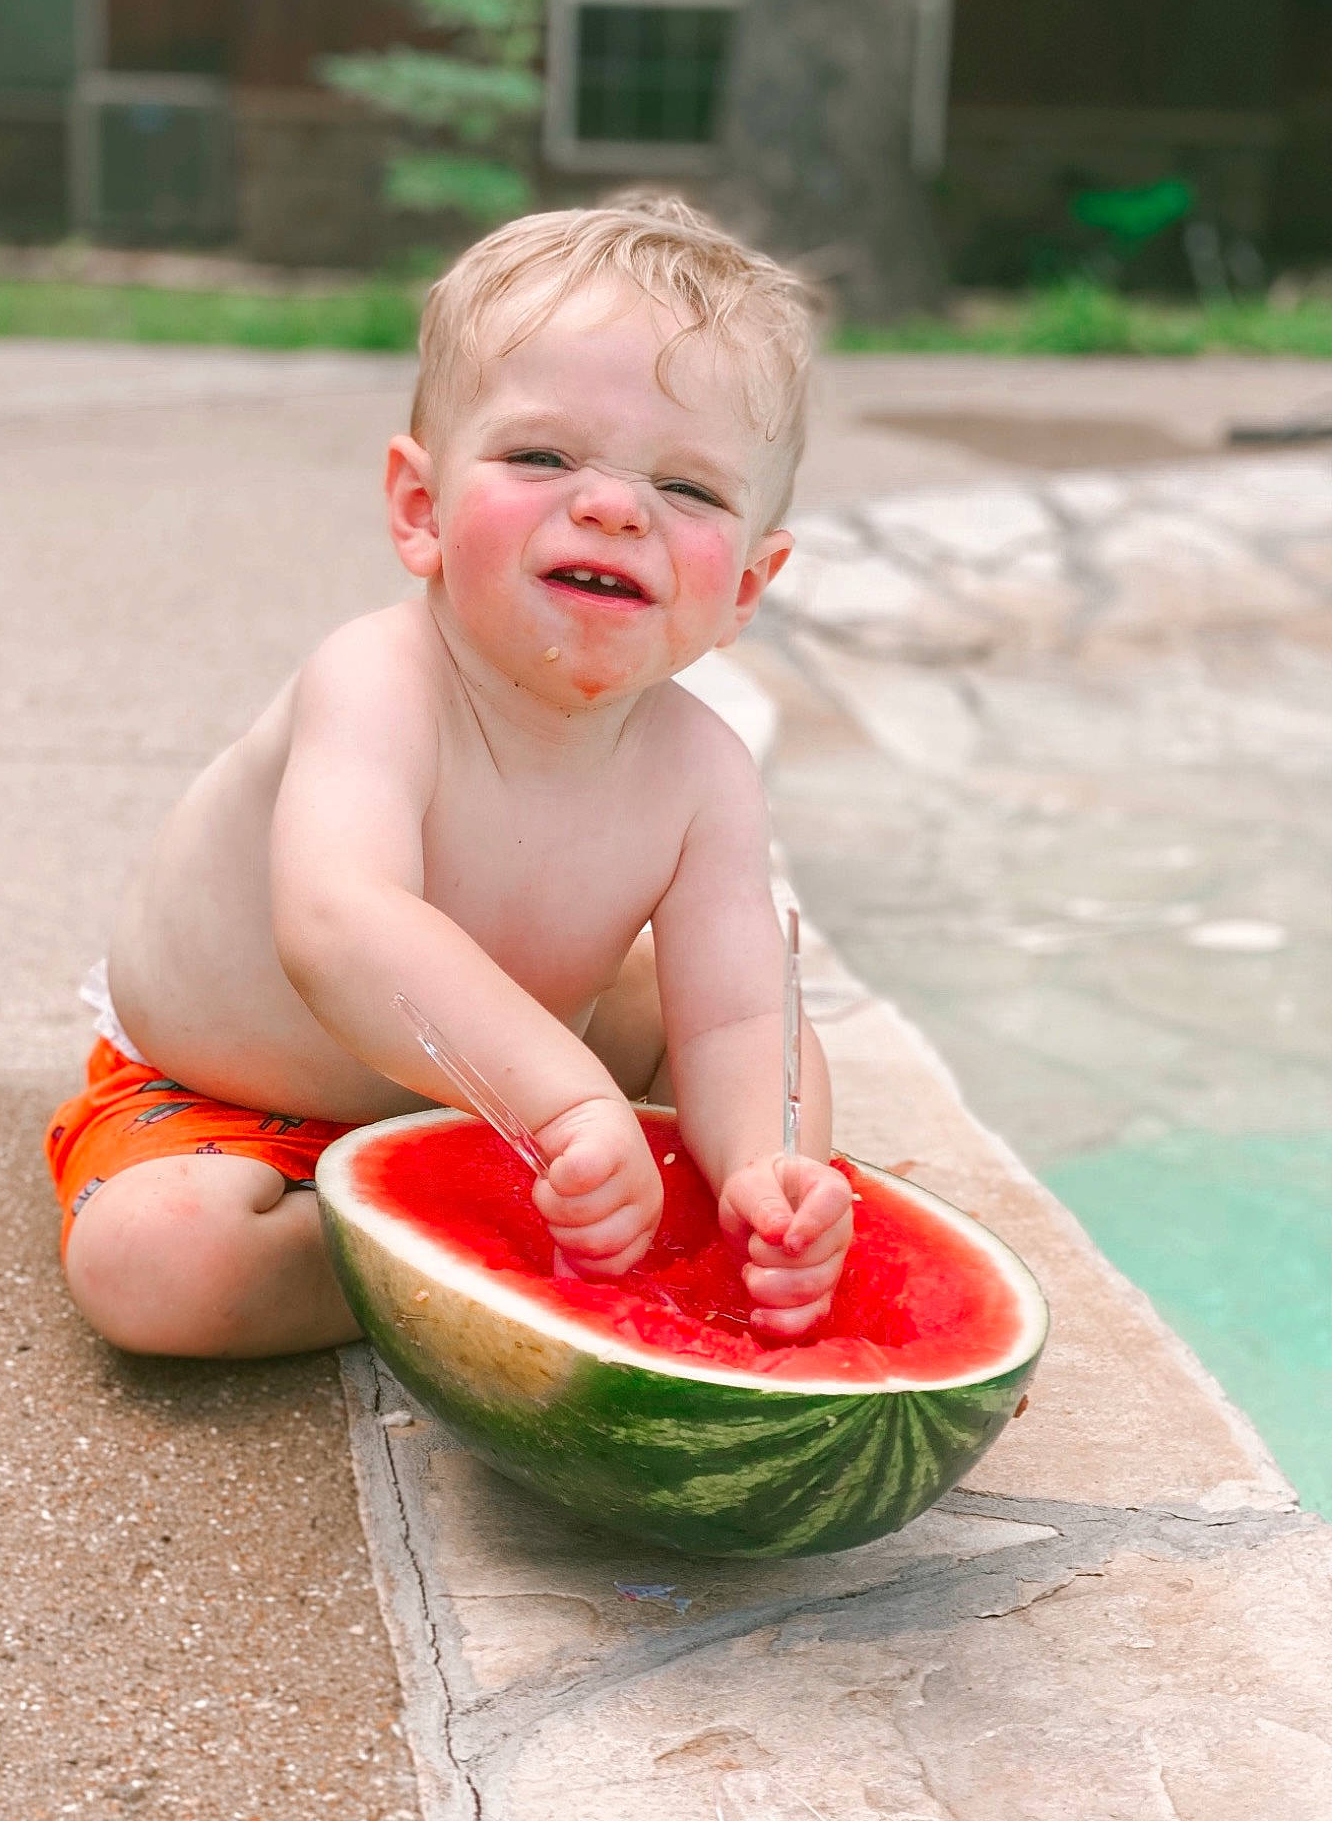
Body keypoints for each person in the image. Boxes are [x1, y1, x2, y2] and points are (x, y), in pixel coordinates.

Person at [44, 196, 854, 1359]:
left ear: (744, 589)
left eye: (689, 490)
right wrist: (570, 1103)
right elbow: (340, 922)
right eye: (542, 455)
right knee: (161, 1265)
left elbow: (734, 1012)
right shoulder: (378, 680)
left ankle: (671, 1200)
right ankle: (450, 1261)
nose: (615, 504)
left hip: (519, 1087)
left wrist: (776, 1175)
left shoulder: (704, 770)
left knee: (742, 1034)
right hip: (234, 1098)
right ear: (419, 509)